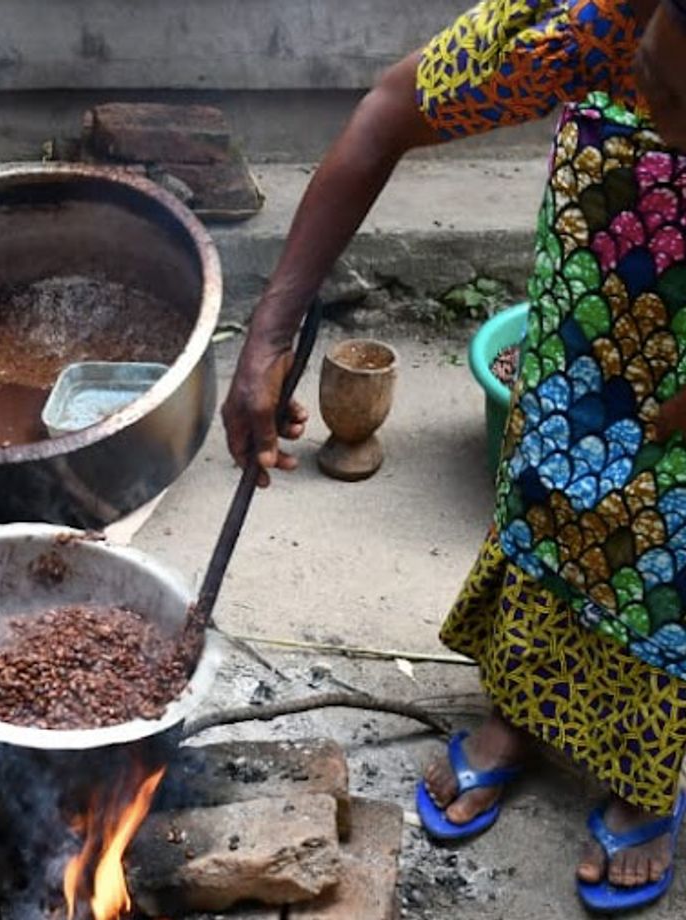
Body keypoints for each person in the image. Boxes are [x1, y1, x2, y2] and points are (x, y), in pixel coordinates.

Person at [222, 0, 686, 911]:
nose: (668, 127)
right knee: (547, 506)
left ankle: (642, 777)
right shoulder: (589, 23)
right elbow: (388, 113)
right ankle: (518, 717)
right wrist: (267, 329)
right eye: (659, 90)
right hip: (579, 352)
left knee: (669, 566)